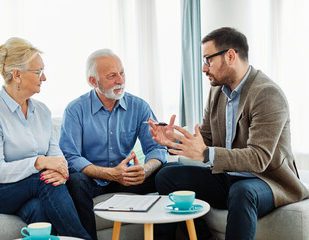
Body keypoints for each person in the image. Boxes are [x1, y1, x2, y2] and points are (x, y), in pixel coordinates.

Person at [149, 27, 309, 240]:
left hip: (267, 181)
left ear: (230, 56)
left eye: (208, 60)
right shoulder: (217, 91)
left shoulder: (267, 94)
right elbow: (205, 137)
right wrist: (174, 140)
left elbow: (259, 158)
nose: (204, 69)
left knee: (242, 192)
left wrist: (207, 155)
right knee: (167, 175)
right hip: (229, 176)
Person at [0, 37, 91, 239]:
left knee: (39, 210)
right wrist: (39, 162)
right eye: (38, 71)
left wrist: (61, 172)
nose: (44, 77)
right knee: (43, 180)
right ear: (17, 75)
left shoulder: (42, 112)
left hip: (28, 188)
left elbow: (57, 158)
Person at [59, 48, 179, 240]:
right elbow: (70, 157)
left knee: (173, 172)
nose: (121, 80)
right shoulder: (75, 110)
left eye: (122, 73)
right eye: (112, 76)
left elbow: (156, 148)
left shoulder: (139, 106)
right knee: (76, 181)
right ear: (93, 81)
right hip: (93, 179)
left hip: (128, 178)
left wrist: (146, 170)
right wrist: (109, 173)